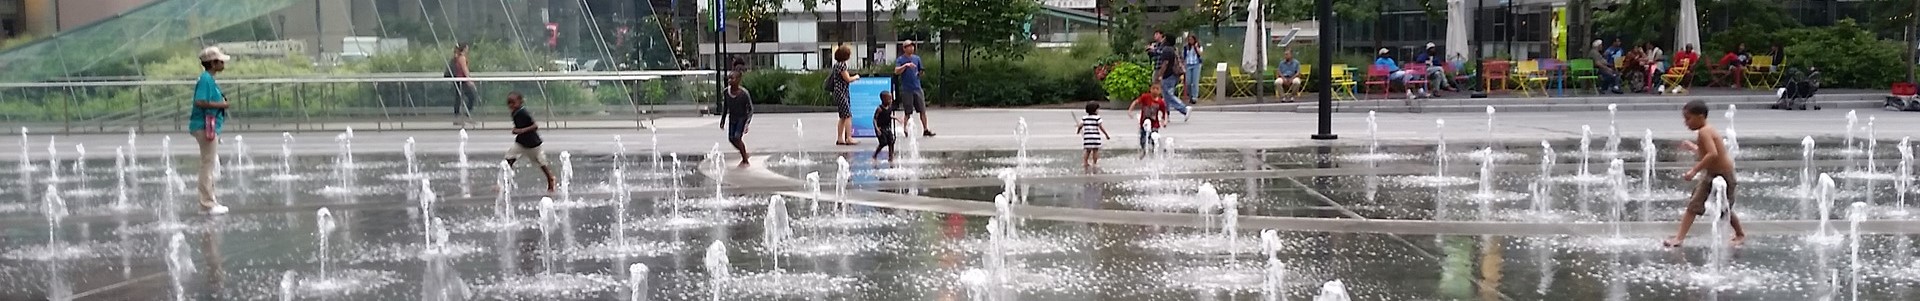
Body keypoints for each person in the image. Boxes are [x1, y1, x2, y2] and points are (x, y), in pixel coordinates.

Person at [1664, 100, 1746, 247]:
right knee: (1694, 205)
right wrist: (1694, 147)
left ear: (1700, 116)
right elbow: (1707, 154)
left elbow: (1713, 154)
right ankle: (1679, 238)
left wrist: (1694, 170)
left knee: (1724, 209)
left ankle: (1740, 234)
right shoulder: (1706, 131)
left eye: (1688, 118)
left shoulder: (1704, 131)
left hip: (1724, 175)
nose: (1686, 123)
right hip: (1711, 173)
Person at [190, 46, 232, 215]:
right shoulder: (206, 79)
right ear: (213, 63)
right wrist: (222, 105)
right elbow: (199, 101)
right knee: (207, 164)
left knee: (209, 162)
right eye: (220, 61)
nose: (223, 64)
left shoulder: (208, 79)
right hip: (203, 125)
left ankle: (209, 200)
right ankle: (207, 203)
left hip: (207, 125)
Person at [503, 91, 558, 192]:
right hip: (521, 143)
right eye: (509, 103)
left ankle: (550, 179)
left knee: (541, 162)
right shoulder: (515, 113)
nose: (511, 105)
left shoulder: (523, 112)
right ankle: (503, 182)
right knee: (508, 160)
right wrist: (517, 129)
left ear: (520, 102)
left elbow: (535, 126)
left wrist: (520, 131)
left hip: (533, 144)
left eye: (513, 102)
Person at [893, 40, 935, 137]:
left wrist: (920, 73)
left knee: (922, 110)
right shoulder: (900, 59)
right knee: (908, 111)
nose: (911, 48)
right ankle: (905, 129)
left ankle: (925, 129)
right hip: (907, 89)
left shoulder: (917, 58)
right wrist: (906, 65)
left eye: (912, 46)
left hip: (917, 87)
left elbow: (921, 70)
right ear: (904, 48)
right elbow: (896, 71)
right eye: (909, 46)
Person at [1147, 30, 1190, 120]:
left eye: (1164, 38)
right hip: (1173, 74)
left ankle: (1184, 109)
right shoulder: (1172, 49)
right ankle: (1165, 114)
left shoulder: (1166, 50)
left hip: (1168, 75)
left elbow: (1165, 64)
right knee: (1166, 95)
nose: (1163, 39)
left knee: (1168, 95)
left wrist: (1160, 75)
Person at [719, 58, 753, 167]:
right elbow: (726, 107)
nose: (730, 81)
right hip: (732, 118)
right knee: (731, 139)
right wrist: (723, 120)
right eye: (729, 78)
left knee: (737, 137)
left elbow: (751, 109)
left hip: (741, 118)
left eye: (732, 78)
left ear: (738, 80)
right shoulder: (726, 92)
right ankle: (744, 153)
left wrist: (747, 124)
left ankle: (745, 159)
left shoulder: (744, 94)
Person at [829, 44, 860, 145]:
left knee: (842, 116)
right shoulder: (842, 66)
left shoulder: (836, 65)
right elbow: (848, 79)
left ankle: (840, 138)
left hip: (839, 92)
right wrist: (856, 77)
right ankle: (849, 138)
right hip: (841, 92)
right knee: (848, 115)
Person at [1127, 84, 1167, 159]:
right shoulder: (1145, 97)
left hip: (1154, 125)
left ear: (1160, 91)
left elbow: (1164, 113)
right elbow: (1135, 102)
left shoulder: (1160, 102)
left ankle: (1155, 155)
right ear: (1150, 89)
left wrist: (1164, 121)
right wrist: (1130, 110)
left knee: (1154, 140)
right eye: (1153, 88)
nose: (1155, 90)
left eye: (1157, 89)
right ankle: (1143, 151)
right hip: (1144, 124)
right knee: (1143, 139)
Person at [447, 43, 478, 126]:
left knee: (458, 98)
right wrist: (469, 80)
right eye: (467, 48)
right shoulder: (462, 58)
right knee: (471, 96)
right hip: (462, 80)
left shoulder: (457, 57)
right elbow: (465, 69)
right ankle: (465, 116)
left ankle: (458, 117)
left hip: (458, 80)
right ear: (464, 49)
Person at [1078, 101, 1111, 168]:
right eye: (1098, 109)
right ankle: (1094, 163)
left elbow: (1080, 125)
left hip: (1087, 138)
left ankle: (1085, 162)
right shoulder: (1097, 118)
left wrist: (1078, 131)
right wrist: (1106, 135)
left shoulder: (1084, 118)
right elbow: (1101, 127)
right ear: (1095, 110)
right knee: (1095, 151)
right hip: (1095, 138)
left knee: (1087, 151)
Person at [872, 91, 904, 161]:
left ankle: (891, 156)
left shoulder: (889, 108)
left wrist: (896, 118)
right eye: (889, 99)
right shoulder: (879, 109)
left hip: (887, 127)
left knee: (891, 141)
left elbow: (888, 116)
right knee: (883, 143)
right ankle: (875, 155)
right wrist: (877, 129)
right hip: (881, 128)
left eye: (891, 99)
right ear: (883, 100)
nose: (891, 101)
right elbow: (874, 119)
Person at [1181, 33, 1204, 102]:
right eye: (1189, 39)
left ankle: (1194, 97)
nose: (1190, 41)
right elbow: (1183, 56)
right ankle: (1190, 95)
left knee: (1195, 82)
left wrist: (1196, 47)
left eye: (1192, 39)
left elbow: (1200, 54)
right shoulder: (1186, 47)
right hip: (1188, 65)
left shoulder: (1198, 46)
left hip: (1196, 64)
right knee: (1188, 82)